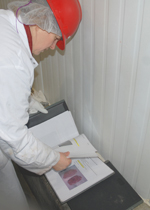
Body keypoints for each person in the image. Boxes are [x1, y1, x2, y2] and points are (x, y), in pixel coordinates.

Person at [0, 0, 82, 209]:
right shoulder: (15, 61)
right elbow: (15, 139)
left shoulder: (4, 22)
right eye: (55, 38)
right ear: (43, 23)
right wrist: (53, 159)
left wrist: (23, 100)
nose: (53, 47)